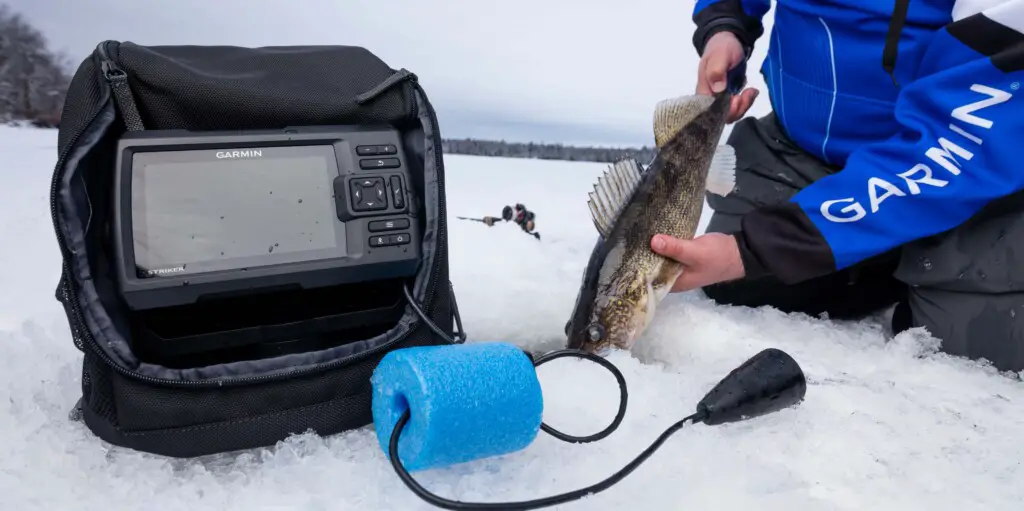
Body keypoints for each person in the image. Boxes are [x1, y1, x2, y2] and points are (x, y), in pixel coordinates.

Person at [649, 0, 1024, 372]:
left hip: (970, 163)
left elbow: (967, 131)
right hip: (802, 150)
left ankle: (898, 246)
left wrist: (759, 248)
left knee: (969, 355)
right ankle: (875, 247)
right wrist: (726, 26)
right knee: (738, 285)